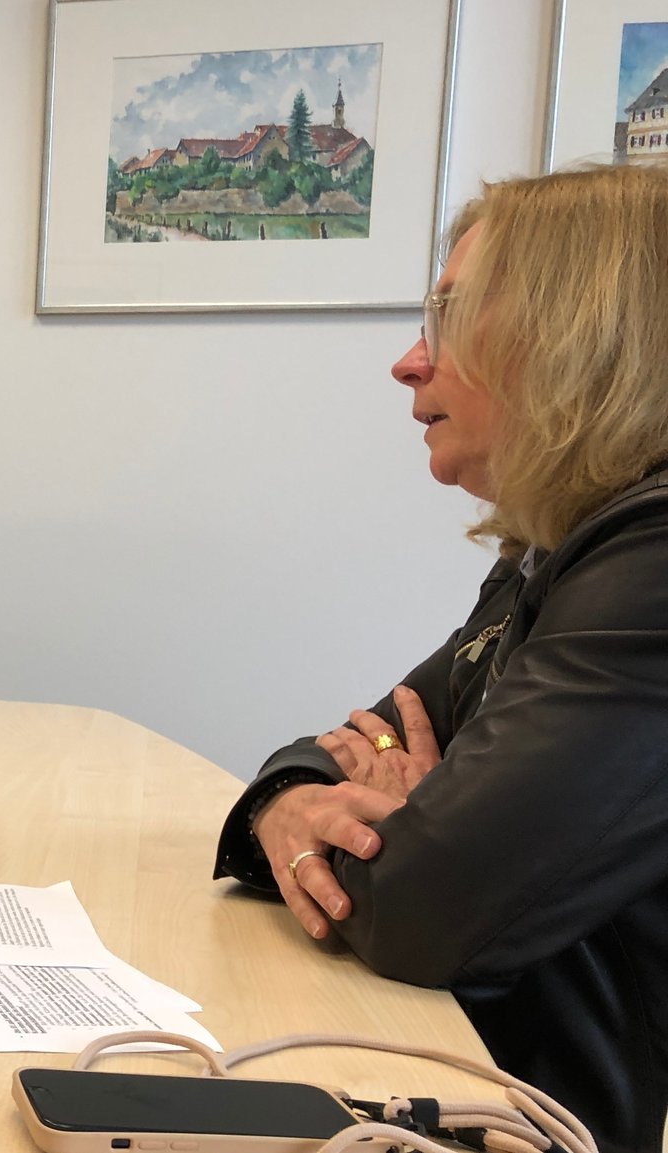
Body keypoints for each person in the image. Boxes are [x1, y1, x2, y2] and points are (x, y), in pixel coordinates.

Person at [212, 163, 668, 1153]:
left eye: (449, 323)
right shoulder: (548, 547)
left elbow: (424, 907)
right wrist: (291, 803)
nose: (408, 364)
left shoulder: (652, 559)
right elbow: (355, 740)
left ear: (573, 336)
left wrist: (423, 824)